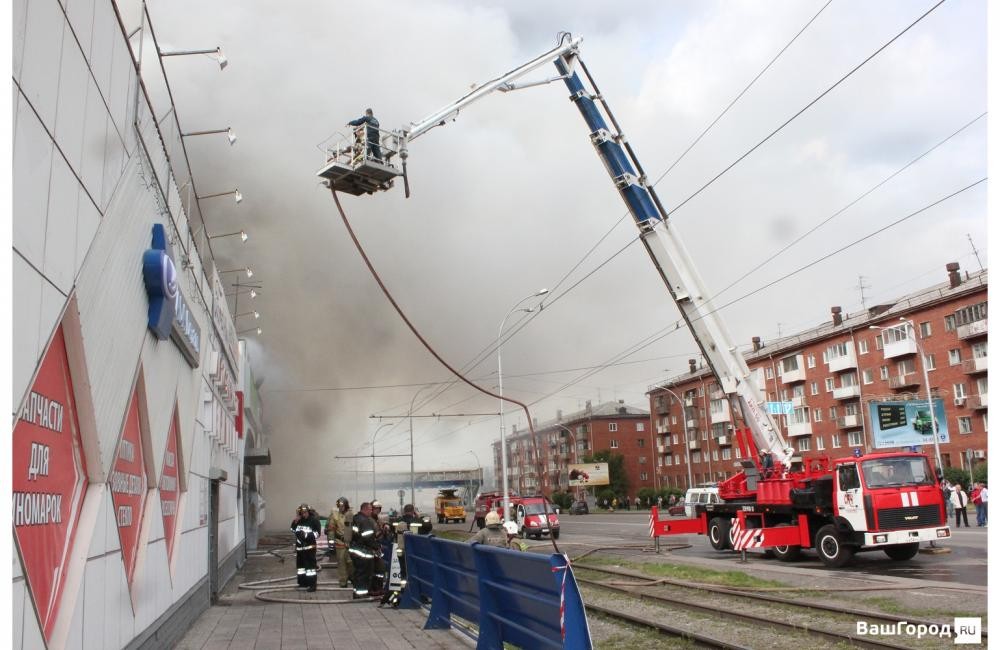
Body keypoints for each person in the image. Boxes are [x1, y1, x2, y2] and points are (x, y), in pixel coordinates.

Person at [349, 502, 380, 598]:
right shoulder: (365, 521)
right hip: (363, 552)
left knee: (358, 572)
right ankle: (361, 594)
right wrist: (377, 546)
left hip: (354, 550)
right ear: (365, 509)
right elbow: (368, 538)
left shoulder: (355, 518)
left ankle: (356, 592)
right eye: (370, 509)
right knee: (364, 573)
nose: (371, 511)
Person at [291, 504, 321, 592]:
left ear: (308, 512)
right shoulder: (299, 521)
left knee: (310, 568)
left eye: (305, 512)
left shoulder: (314, 521)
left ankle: (312, 585)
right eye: (301, 513)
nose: (303, 514)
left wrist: (306, 535)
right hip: (300, 549)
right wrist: (295, 522)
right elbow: (292, 530)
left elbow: (317, 534)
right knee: (301, 568)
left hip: (309, 548)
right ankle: (302, 583)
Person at [325, 497, 353, 588]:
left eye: (342, 506)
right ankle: (343, 582)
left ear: (346, 505)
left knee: (351, 562)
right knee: (341, 563)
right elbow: (331, 530)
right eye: (339, 506)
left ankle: (352, 578)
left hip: (351, 543)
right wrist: (331, 544)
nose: (340, 508)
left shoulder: (351, 514)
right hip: (339, 543)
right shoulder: (335, 515)